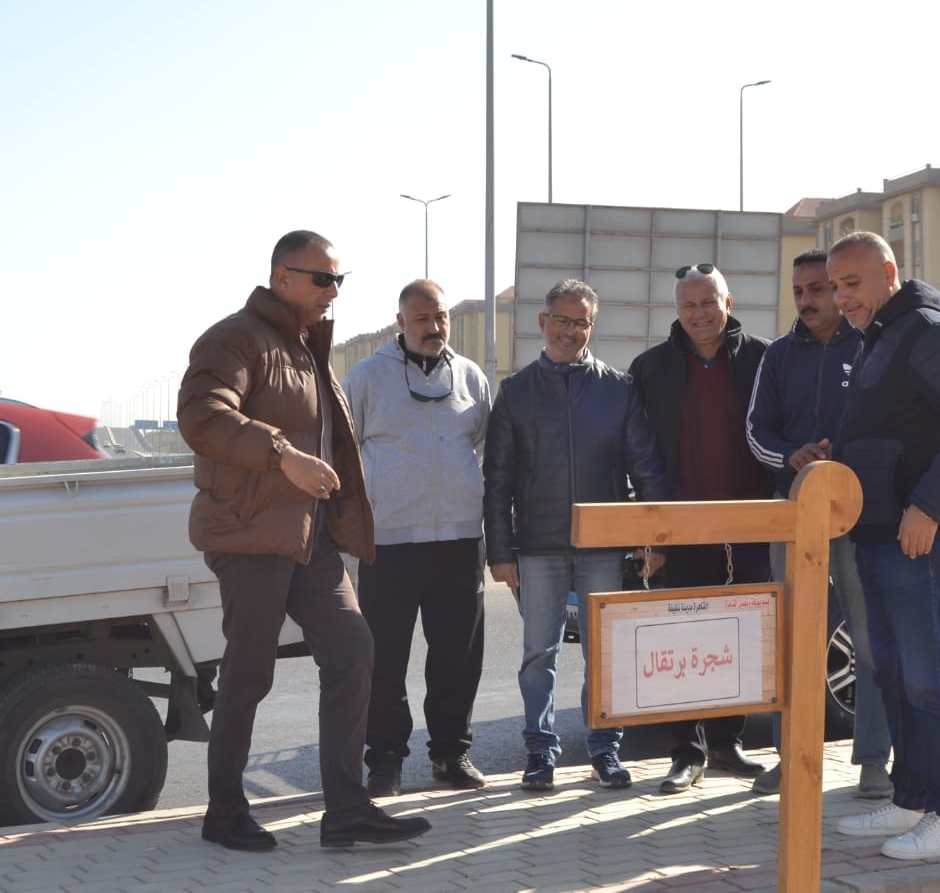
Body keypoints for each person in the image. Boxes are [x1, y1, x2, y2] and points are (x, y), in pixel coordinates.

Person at [178, 230, 430, 852]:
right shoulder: (234, 338)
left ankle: (347, 810)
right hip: (249, 534)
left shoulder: (307, 347)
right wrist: (282, 454)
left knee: (353, 650)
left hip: (310, 537)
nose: (333, 291)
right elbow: (201, 414)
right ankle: (224, 811)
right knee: (249, 673)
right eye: (322, 279)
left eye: (339, 279)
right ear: (282, 277)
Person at [826, 231, 940, 862]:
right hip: (878, 535)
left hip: (922, 536)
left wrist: (929, 507)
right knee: (895, 674)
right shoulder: (879, 336)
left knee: (929, 680)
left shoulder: (925, 331)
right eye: (835, 286)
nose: (841, 298)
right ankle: (912, 799)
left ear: (888, 273)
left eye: (852, 283)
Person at [483, 279, 667, 792]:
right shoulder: (516, 392)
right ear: (543, 322)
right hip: (537, 545)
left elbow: (646, 467)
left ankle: (605, 748)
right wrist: (500, 551)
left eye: (580, 322)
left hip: (603, 546)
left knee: (604, 651)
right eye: (561, 320)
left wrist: (654, 538)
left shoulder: (618, 388)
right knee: (538, 654)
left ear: (592, 325)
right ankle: (540, 752)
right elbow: (497, 479)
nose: (570, 331)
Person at [745, 249, 891, 799]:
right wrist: (791, 456)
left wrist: (846, 462)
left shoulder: (872, 344)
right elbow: (756, 431)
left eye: (818, 289)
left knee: (869, 639)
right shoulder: (778, 355)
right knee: (790, 640)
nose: (806, 300)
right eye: (798, 291)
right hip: (792, 515)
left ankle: (874, 762)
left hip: (860, 516)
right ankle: (791, 759)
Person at [343, 279, 493, 797]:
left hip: (459, 541)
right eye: (423, 318)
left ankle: (451, 753)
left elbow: (480, 448)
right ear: (401, 321)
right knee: (383, 660)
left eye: (441, 317)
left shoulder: (471, 377)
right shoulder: (366, 378)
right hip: (389, 544)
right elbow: (343, 452)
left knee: (457, 658)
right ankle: (385, 760)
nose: (434, 327)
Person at [628, 263, 772, 794]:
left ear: (728, 303)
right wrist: (650, 533)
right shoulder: (650, 369)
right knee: (685, 639)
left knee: (740, 636)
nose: (700, 314)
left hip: (753, 526)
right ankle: (686, 754)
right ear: (677, 311)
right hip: (681, 528)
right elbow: (638, 454)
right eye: (689, 305)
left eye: (709, 302)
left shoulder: (764, 359)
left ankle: (729, 744)